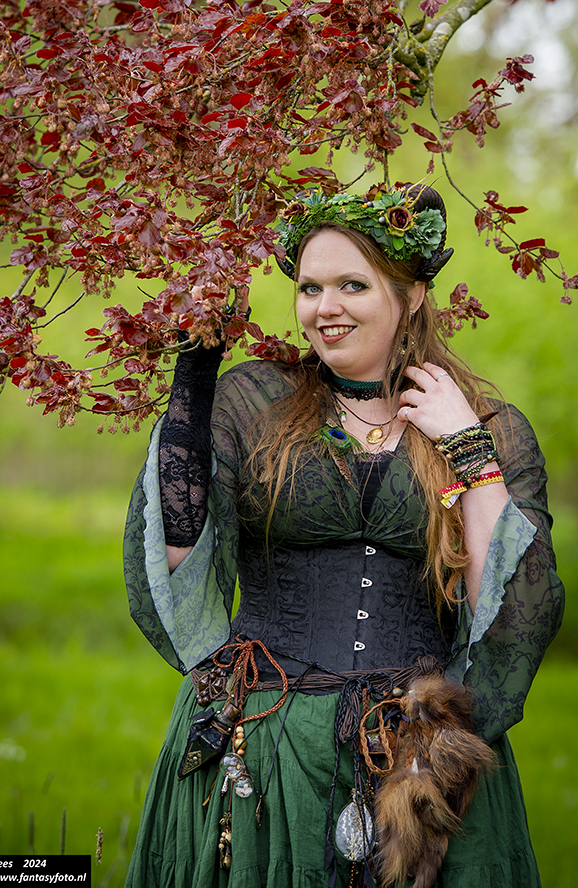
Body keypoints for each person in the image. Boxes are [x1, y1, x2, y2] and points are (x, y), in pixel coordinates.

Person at [123, 184, 564, 888]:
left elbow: (512, 611)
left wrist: (468, 449)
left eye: (352, 285)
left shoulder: (486, 422)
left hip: (421, 756)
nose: (324, 308)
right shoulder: (254, 401)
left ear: (411, 294)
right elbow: (177, 558)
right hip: (261, 736)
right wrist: (195, 373)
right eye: (309, 288)